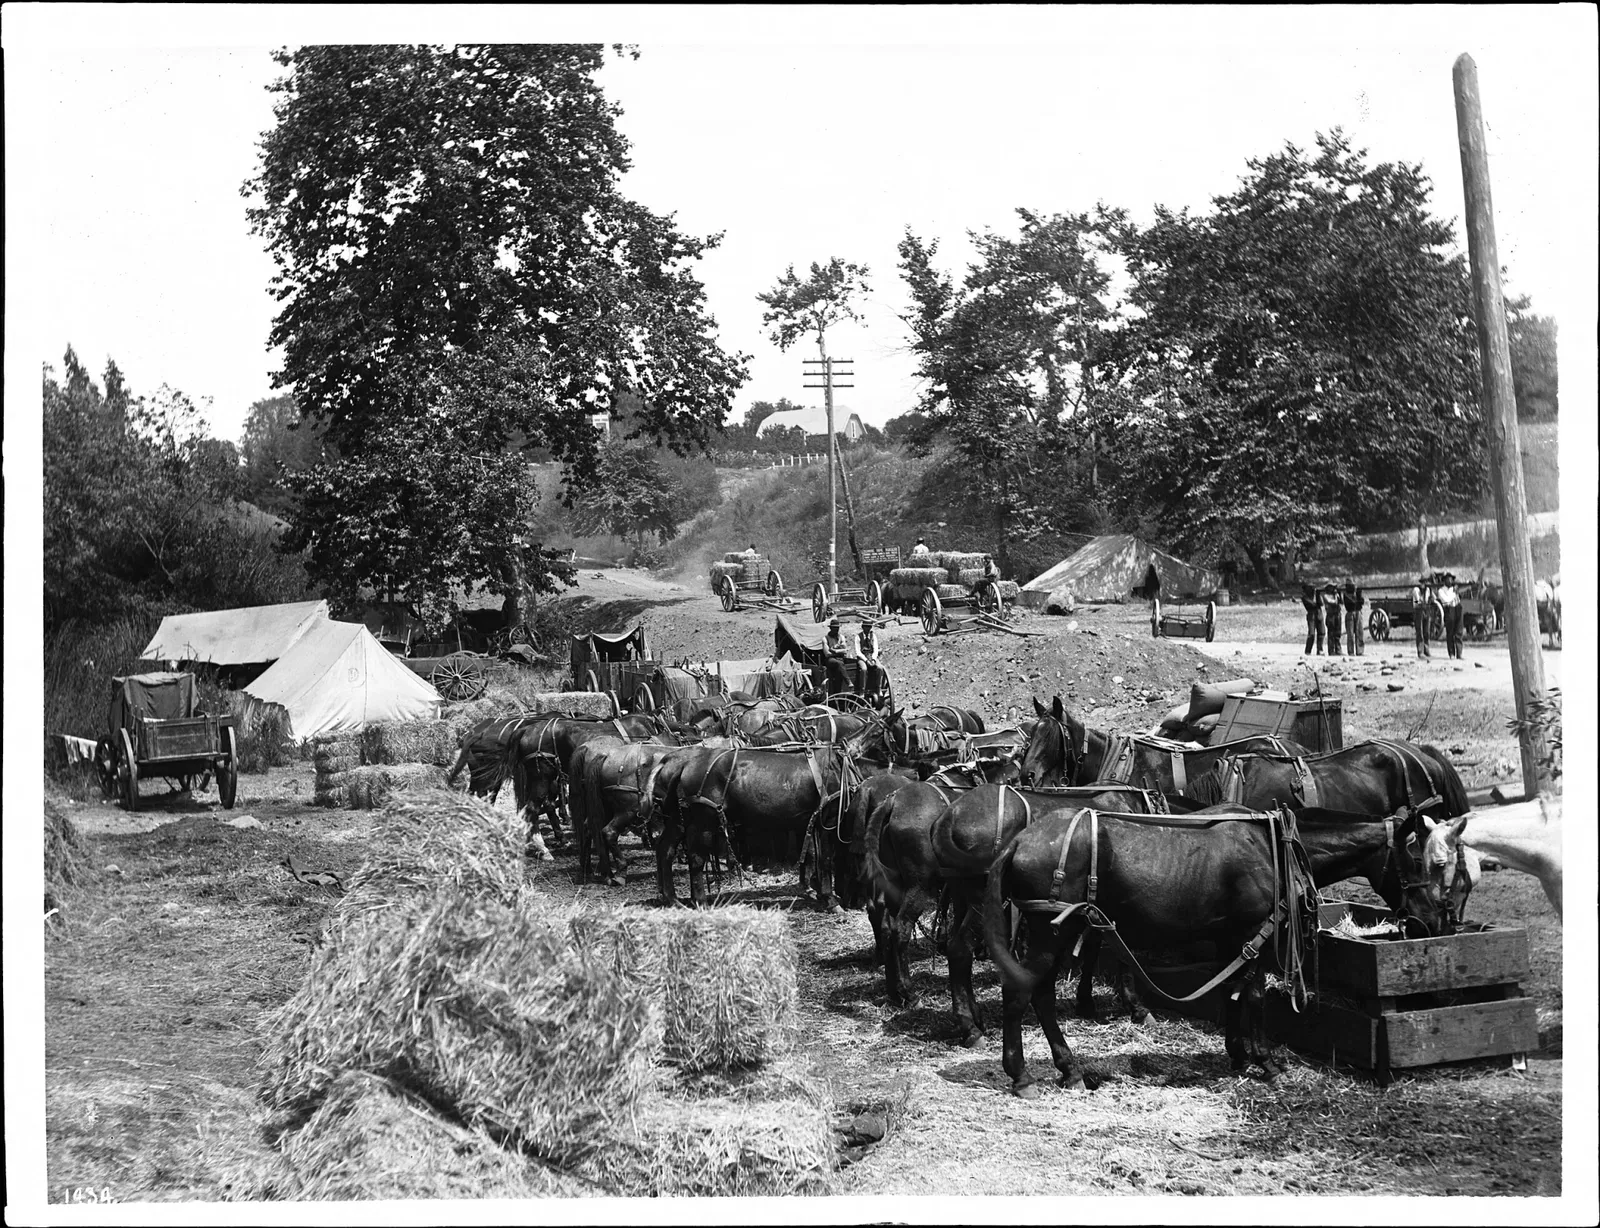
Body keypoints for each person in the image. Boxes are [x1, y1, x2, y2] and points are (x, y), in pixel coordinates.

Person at [821, 618, 854, 699]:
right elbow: (827, 654)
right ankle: (848, 681)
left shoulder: (841, 637)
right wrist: (839, 651)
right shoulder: (825, 638)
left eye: (837, 628)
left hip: (839, 659)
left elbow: (845, 651)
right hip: (830, 661)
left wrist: (834, 650)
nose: (836, 630)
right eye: (834, 628)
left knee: (842, 663)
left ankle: (841, 690)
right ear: (830, 628)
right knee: (839, 663)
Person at [1437, 572, 1463, 659]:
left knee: (1459, 632)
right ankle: (1451, 653)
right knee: (1450, 633)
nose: (1450, 580)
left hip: (1457, 609)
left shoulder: (1454, 589)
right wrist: (1454, 593)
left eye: (1451, 579)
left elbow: (1459, 598)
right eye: (1448, 579)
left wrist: (1456, 592)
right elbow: (1446, 600)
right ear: (1444, 580)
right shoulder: (1441, 591)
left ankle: (1459, 654)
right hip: (1449, 610)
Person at [1342, 578, 1365, 657]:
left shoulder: (1356, 594)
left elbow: (1361, 603)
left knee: (1359, 632)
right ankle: (1351, 651)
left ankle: (1360, 651)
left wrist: (1359, 594)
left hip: (1358, 612)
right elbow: (1352, 603)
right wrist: (1357, 598)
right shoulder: (1346, 595)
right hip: (1350, 613)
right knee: (1350, 634)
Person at [1411, 576, 1433, 658]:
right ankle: (1420, 651)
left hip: (1426, 610)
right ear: (1421, 583)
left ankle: (1426, 650)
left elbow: (1432, 599)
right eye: (1423, 582)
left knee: (1426, 631)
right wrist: (1421, 602)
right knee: (1419, 631)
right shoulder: (1416, 590)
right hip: (1418, 610)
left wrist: (1431, 599)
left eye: (1426, 582)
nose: (1425, 584)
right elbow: (1417, 600)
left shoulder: (1428, 590)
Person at [1320, 581, 1343, 656]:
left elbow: (1341, 603)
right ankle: (1331, 650)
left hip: (1337, 615)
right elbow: (1333, 602)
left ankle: (1338, 649)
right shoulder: (1325, 595)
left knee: (1338, 633)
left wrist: (1339, 595)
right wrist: (1336, 596)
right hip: (1330, 616)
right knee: (1331, 633)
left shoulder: (1336, 595)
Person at [1301, 583, 1325, 656]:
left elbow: (1321, 604)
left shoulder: (1316, 596)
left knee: (1322, 632)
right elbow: (1313, 604)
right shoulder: (1304, 597)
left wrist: (1318, 595)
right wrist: (1316, 596)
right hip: (1311, 615)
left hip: (1319, 614)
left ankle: (1319, 649)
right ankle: (1308, 650)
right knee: (1311, 634)